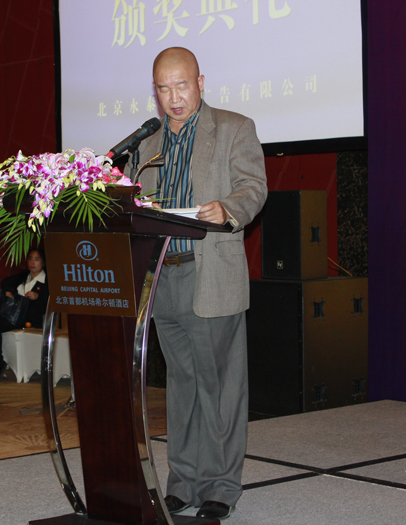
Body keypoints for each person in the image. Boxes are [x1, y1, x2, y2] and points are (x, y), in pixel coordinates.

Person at [124, 48, 267, 520]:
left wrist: (228, 208)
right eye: (163, 88)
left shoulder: (233, 128)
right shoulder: (146, 145)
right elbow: (132, 203)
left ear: (201, 82)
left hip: (210, 273)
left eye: (181, 85)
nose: (173, 97)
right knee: (181, 388)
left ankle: (221, 486)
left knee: (219, 387)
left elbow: (253, 187)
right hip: (162, 277)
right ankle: (183, 483)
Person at [0, 249, 48, 382]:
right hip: (12, 316)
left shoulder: (47, 281)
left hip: (28, 319)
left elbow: (49, 303)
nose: (32, 262)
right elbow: (5, 282)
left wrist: (38, 297)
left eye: (37, 259)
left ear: (43, 262)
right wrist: (7, 292)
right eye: (30, 258)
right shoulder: (24, 275)